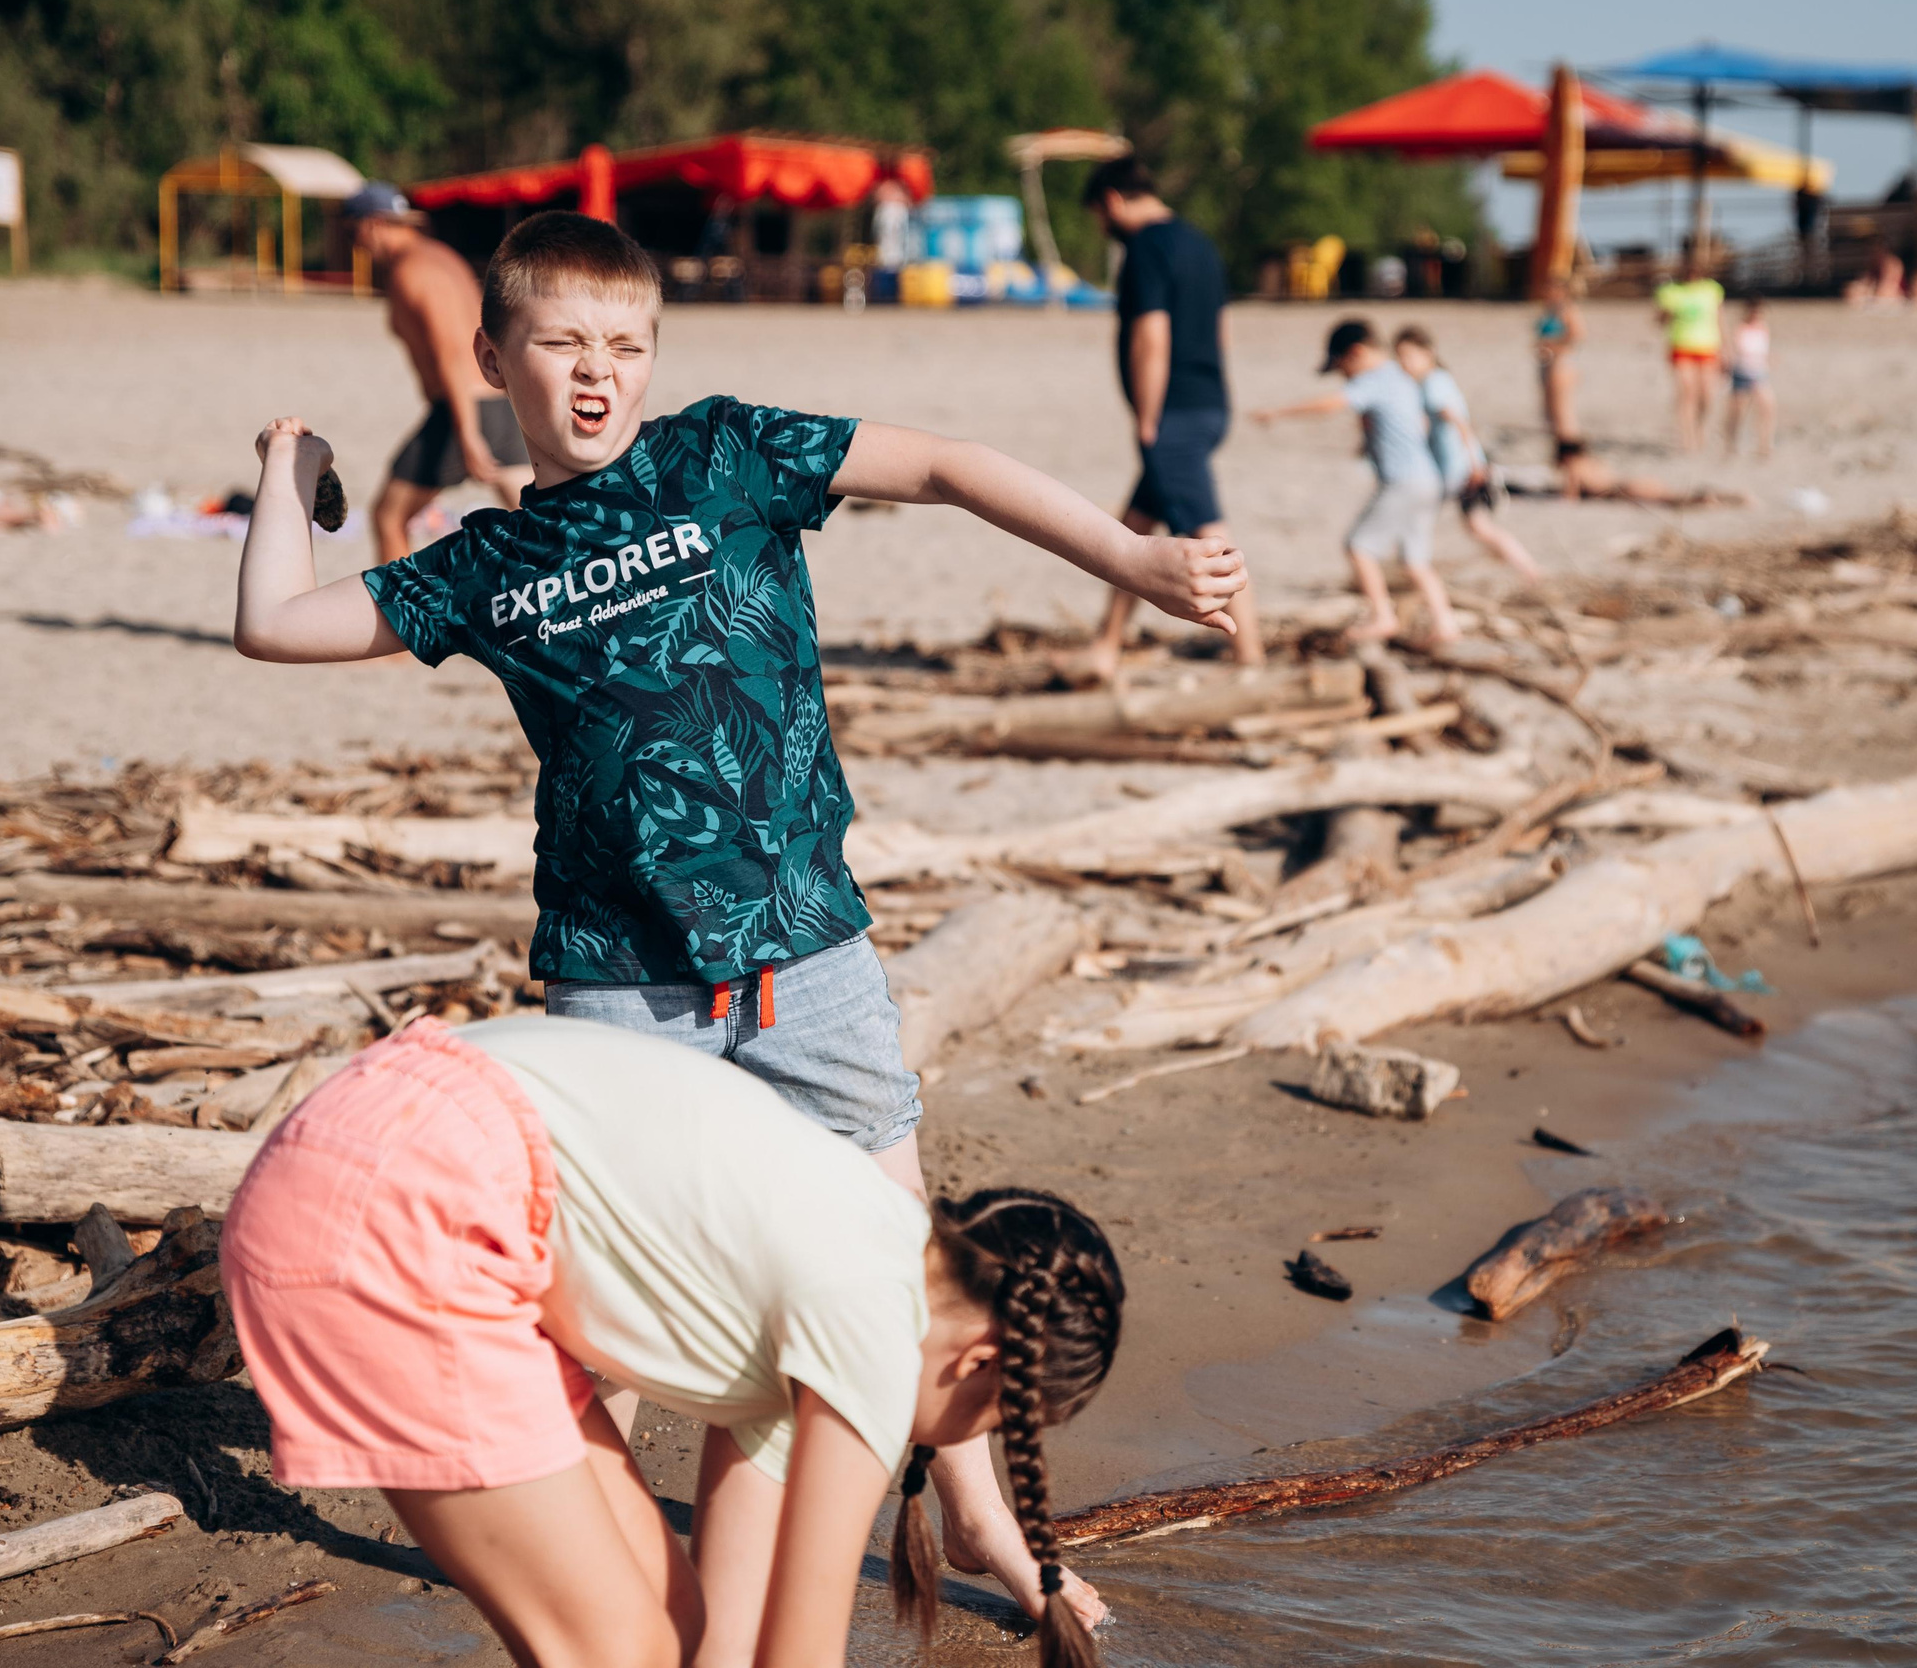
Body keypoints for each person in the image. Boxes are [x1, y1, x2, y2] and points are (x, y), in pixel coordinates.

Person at [232, 210, 1243, 1624]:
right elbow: (273, 624)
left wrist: (1130, 561)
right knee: (604, 1321)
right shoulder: (482, 563)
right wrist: (288, 472)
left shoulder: (724, 452)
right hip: (620, 991)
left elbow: (947, 465)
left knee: (913, 1275)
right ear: (495, 359)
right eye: (563, 344)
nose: (598, 372)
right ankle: (606, 1579)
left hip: (808, 952)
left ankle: (982, 1524)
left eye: (626, 345)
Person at [222, 1013, 1122, 1668]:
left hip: (382, 1141)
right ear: (981, 1360)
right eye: (992, 1420)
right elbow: (803, 1652)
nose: (947, 1440)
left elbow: (727, 1640)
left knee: (670, 1627)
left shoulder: (854, 1262)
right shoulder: (875, 1325)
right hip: (405, 1203)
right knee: (614, 1649)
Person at [1076, 155, 1263, 681]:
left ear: (1112, 201)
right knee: (1133, 531)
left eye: (1099, 217)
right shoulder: (1201, 244)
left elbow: (1151, 336)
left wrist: (1147, 418)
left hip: (1173, 414)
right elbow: (1222, 329)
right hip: (1210, 402)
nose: (1103, 228)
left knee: (1209, 532)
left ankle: (1250, 655)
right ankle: (1106, 646)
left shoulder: (1145, 249)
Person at [345, 182, 533, 563]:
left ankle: (398, 605)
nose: (356, 244)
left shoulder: (410, 271)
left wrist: (467, 433)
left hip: (460, 409)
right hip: (500, 402)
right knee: (536, 520)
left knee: (388, 517)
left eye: (354, 233)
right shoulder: (443, 258)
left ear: (373, 225)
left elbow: (451, 353)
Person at [1253, 316, 1459, 644]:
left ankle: (1382, 616)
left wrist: (1278, 413)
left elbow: (1331, 404)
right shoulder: (1400, 375)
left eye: (1342, 369)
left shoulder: (1375, 378)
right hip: (1427, 478)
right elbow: (1416, 422)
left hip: (1403, 481)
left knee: (1359, 546)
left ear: (1357, 353)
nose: (1344, 377)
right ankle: (1446, 624)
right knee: (1415, 560)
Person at [1391, 325, 1542, 582]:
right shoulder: (1438, 380)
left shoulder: (1432, 384)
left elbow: (1459, 423)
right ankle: (1529, 571)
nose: (1405, 363)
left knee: (1414, 515)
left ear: (1428, 353)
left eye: (1409, 355)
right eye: (1400, 357)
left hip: (1457, 470)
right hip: (1459, 467)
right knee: (1478, 527)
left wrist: (1475, 463)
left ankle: (1411, 570)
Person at [1507, 438, 1749, 508]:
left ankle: (1713, 499)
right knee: (1675, 494)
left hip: (1625, 489)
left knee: (1673, 500)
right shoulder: (1593, 461)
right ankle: (1731, 496)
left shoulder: (1573, 468)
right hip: (1631, 481)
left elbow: (1569, 499)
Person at [1654, 259, 1725, 453]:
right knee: (1687, 392)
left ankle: (1699, 428)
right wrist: (1667, 314)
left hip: (1708, 347)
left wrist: (1725, 350)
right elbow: (1659, 321)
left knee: (1707, 395)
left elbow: (1720, 320)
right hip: (1681, 346)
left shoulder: (1712, 290)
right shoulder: (1670, 292)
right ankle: (1686, 437)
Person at [1533, 274, 1585, 444]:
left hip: (1562, 363)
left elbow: (1577, 336)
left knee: (1562, 410)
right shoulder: (1549, 309)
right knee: (1549, 412)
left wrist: (1552, 346)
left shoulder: (1568, 310)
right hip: (1547, 363)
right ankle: (1560, 447)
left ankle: (1570, 448)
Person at [1723, 299, 1774, 460]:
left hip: (1759, 373)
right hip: (1742, 373)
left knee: (1767, 408)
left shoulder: (1763, 328)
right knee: (1738, 412)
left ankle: (1764, 445)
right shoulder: (1740, 329)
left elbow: (1764, 351)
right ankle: (1731, 444)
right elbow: (1735, 350)